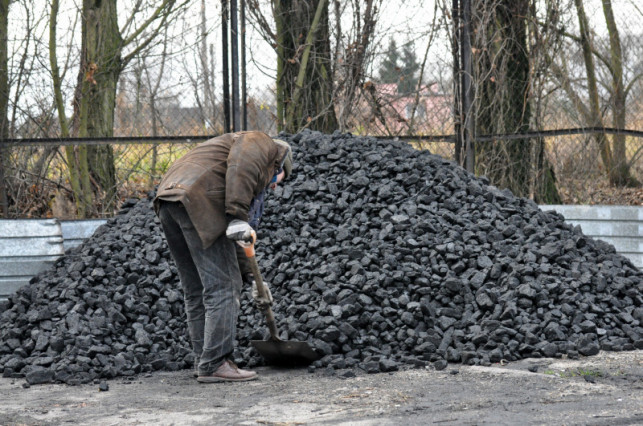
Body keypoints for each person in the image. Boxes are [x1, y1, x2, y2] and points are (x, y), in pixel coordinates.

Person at [153, 131, 293, 383]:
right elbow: (243, 164)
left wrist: (250, 276)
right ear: (279, 164)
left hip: (170, 201)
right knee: (224, 287)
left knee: (196, 289)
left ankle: (204, 360)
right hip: (201, 199)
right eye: (280, 179)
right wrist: (238, 216)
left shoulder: (225, 147)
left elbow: (237, 240)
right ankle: (216, 362)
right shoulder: (263, 144)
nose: (274, 185)